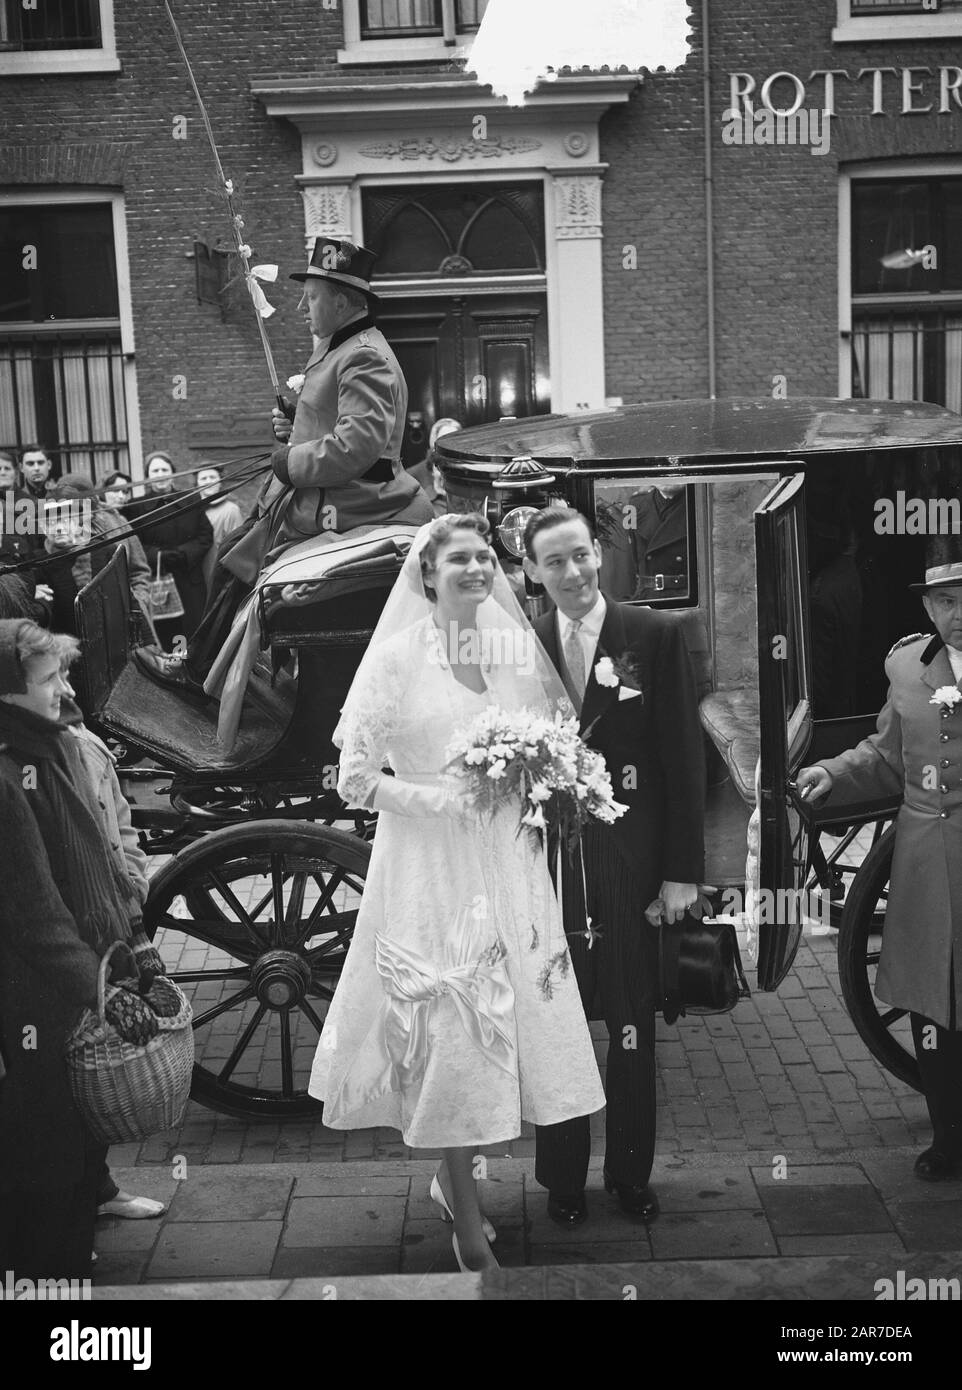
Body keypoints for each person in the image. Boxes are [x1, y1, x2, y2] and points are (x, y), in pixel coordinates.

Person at [309, 512, 605, 1271]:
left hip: (508, 863)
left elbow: (549, 740)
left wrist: (550, 778)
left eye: (483, 557)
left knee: (509, 1026)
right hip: (429, 870)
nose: (476, 569)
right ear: (428, 575)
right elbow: (354, 781)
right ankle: (468, 1228)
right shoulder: (398, 658)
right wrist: (444, 801)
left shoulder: (508, 646)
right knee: (450, 1032)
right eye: (459, 560)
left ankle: (463, 1175)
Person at [134, 238, 432, 697]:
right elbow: (339, 424)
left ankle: (199, 674)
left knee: (235, 557)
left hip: (352, 503)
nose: (301, 305)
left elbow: (356, 449)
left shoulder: (363, 355)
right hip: (323, 493)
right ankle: (220, 669)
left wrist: (288, 459)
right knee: (234, 549)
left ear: (340, 300)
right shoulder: (344, 347)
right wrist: (297, 424)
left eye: (311, 296)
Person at [524, 506, 706, 1226]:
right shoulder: (526, 645)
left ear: (599, 553)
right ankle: (563, 1179)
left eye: (580, 556)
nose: (572, 573)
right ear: (534, 574)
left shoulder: (653, 635)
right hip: (552, 869)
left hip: (631, 861)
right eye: (554, 563)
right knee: (558, 1022)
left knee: (632, 1024)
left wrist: (681, 872)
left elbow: (683, 762)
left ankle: (631, 1174)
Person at [0, 621, 174, 1279]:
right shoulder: (8, 775)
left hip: (67, 991)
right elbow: (36, 919)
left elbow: (100, 860)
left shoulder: (56, 749)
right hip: (30, 1002)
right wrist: (101, 990)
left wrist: (132, 944)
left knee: (70, 1152)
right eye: (50, 680)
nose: (65, 691)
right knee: (40, 1161)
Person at [797, 533, 962, 1183]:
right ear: (928, 610)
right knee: (930, 1005)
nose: (957, 614)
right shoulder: (906, 668)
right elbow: (887, 756)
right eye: (945, 601)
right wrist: (831, 776)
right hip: (924, 861)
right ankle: (947, 1138)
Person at [33, 475, 154, 641]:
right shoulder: (39, 562)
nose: (59, 527)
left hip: (112, 641)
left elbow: (129, 598)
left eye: (65, 519)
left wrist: (146, 643)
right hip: (69, 649)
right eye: (51, 521)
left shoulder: (106, 550)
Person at [125, 452, 213, 648]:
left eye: (165, 470)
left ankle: (188, 669)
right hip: (158, 580)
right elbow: (134, 544)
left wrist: (184, 553)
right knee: (166, 630)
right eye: (155, 471)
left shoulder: (190, 499)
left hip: (188, 578)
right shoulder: (136, 507)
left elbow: (205, 535)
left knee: (189, 629)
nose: (161, 474)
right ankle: (171, 670)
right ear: (148, 477)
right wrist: (158, 555)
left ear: (172, 474)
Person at [196, 462, 244, 590]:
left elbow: (236, 545)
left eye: (212, 477)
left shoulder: (231, 510)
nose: (208, 482)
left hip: (217, 566)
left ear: (220, 481)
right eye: (203, 478)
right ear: (197, 483)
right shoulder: (192, 509)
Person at [408, 418, 461, 518]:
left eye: (454, 440)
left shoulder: (466, 472)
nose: (449, 446)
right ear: (433, 443)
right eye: (443, 439)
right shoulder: (413, 474)